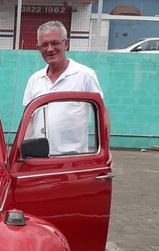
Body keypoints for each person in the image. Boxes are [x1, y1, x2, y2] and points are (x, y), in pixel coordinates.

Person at [23, 21, 103, 155]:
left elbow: (102, 114)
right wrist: (19, 150)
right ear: (38, 48)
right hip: (39, 162)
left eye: (55, 43)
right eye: (44, 45)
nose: (49, 49)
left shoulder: (85, 75)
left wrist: (105, 150)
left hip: (73, 161)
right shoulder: (34, 80)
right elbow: (29, 121)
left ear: (66, 44)